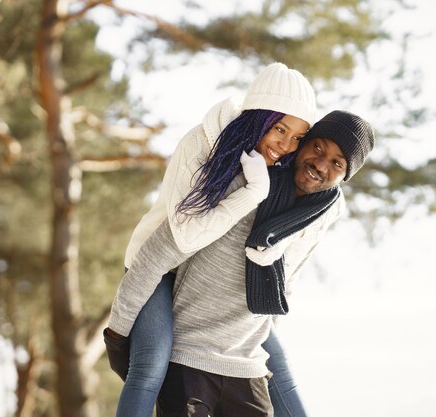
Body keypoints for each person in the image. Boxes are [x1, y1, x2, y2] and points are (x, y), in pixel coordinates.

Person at [108, 110, 376, 416]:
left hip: (246, 364)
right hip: (190, 358)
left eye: (337, 163)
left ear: (344, 176)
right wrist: (117, 333)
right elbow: (158, 254)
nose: (321, 163)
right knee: (147, 369)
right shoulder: (244, 185)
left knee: (284, 378)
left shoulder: (322, 212)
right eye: (317, 147)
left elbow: (287, 285)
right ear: (302, 145)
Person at [105, 63, 317, 417]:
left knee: (277, 368)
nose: (286, 144)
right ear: (258, 117)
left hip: (206, 288)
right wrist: (253, 193)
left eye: (297, 137)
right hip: (160, 268)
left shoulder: (272, 166)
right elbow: (184, 237)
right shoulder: (202, 145)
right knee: (152, 364)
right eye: (280, 128)